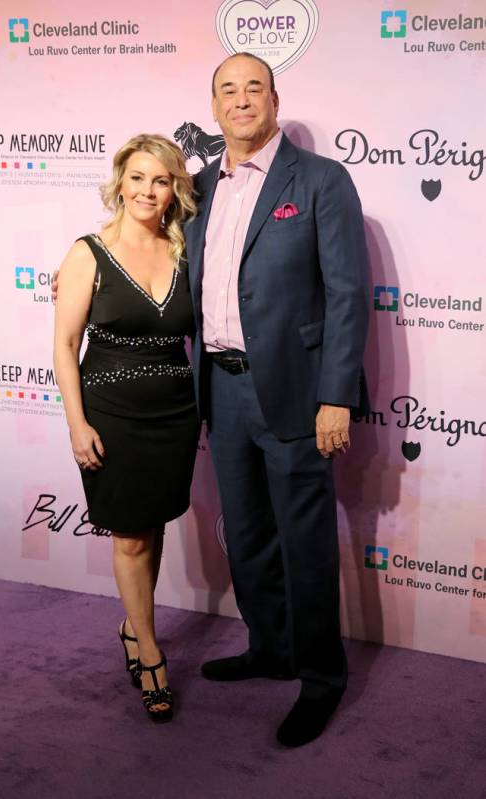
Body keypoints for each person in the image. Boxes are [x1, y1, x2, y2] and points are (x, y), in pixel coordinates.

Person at [183, 53, 370, 748]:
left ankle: (321, 678)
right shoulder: (199, 187)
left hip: (295, 389)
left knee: (305, 541)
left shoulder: (320, 179)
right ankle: (271, 647)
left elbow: (348, 294)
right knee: (248, 533)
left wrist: (335, 397)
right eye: (227, 90)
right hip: (220, 386)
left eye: (253, 88)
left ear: (274, 99)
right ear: (214, 106)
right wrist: (82, 274)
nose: (241, 100)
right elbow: (160, 261)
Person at [53, 134, 199, 723]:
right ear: (120, 183)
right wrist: (76, 424)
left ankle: (135, 626)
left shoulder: (186, 248)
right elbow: (65, 346)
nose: (147, 190)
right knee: (131, 537)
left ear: (174, 190)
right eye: (137, 177)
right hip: (111, 415)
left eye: (160, 180)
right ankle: (150, 653)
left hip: (176, 413)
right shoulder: (88, 253)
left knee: (152, 526)